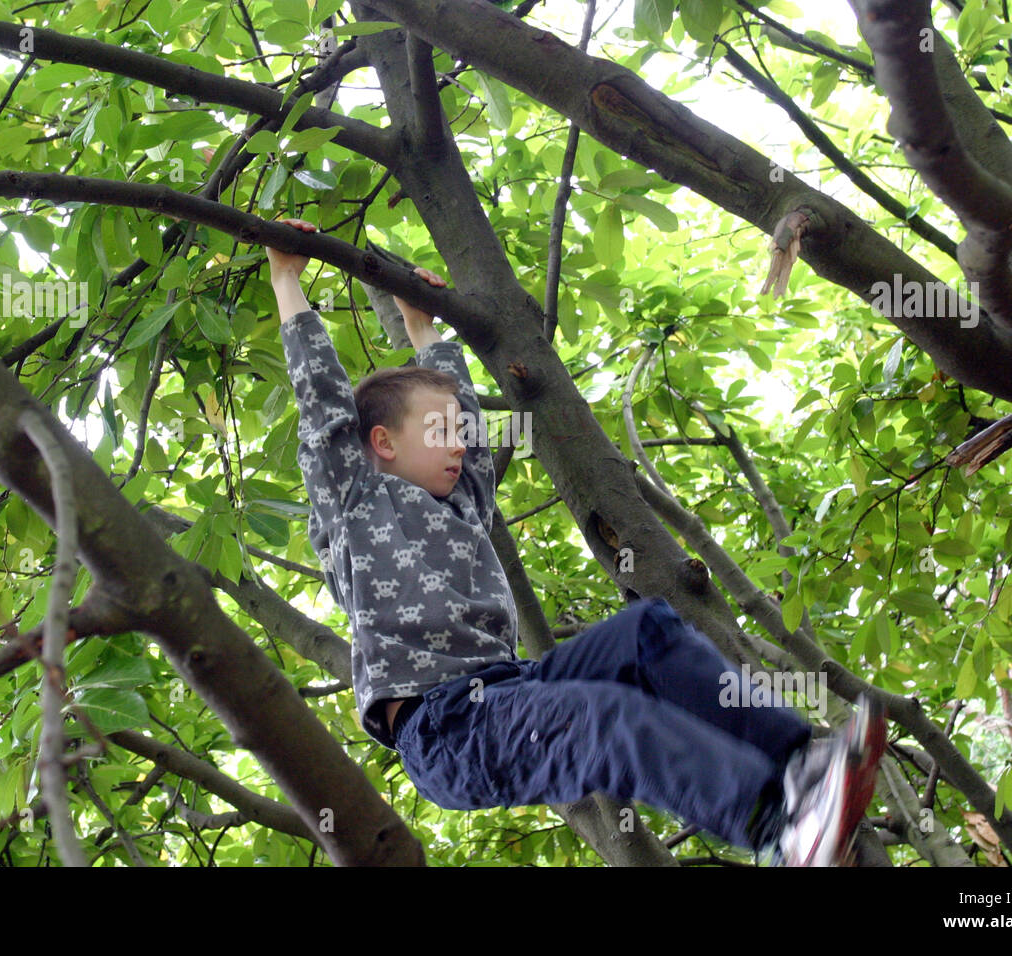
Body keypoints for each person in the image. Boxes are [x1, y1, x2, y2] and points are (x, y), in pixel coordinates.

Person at [266, 218, 885, 865]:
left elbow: (473, 435)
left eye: (457, 430)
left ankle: (798, 767)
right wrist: (287, 277)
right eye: (437, 431)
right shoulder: (354, 503)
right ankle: (773, 828)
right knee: (603, 718)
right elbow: (323, 412)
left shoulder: (460, 503)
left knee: (646, 629)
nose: (458, 443)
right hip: (446, 731)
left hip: (513, 688)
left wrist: (425, 328)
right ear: (383, 445)